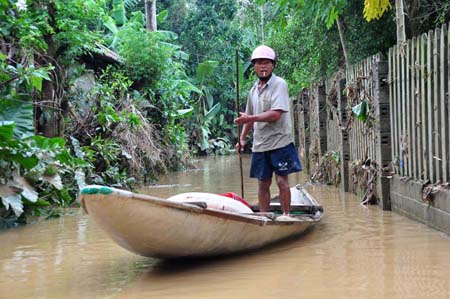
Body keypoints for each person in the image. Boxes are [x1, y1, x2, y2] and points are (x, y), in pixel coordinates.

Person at [234, 45, 302, 217]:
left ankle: (286, 215)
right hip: (260, 144)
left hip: (280, 142)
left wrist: (250, 119)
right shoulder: (253, 91)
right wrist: (242, 139)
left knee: (281, 180)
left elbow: (275, 114)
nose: (262, 66)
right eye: (258, 63)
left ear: (273, 65)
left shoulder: (279, 84)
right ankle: (264, 217)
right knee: (263, 183)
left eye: (266, 63)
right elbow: (248, 116)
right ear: (254, 67)